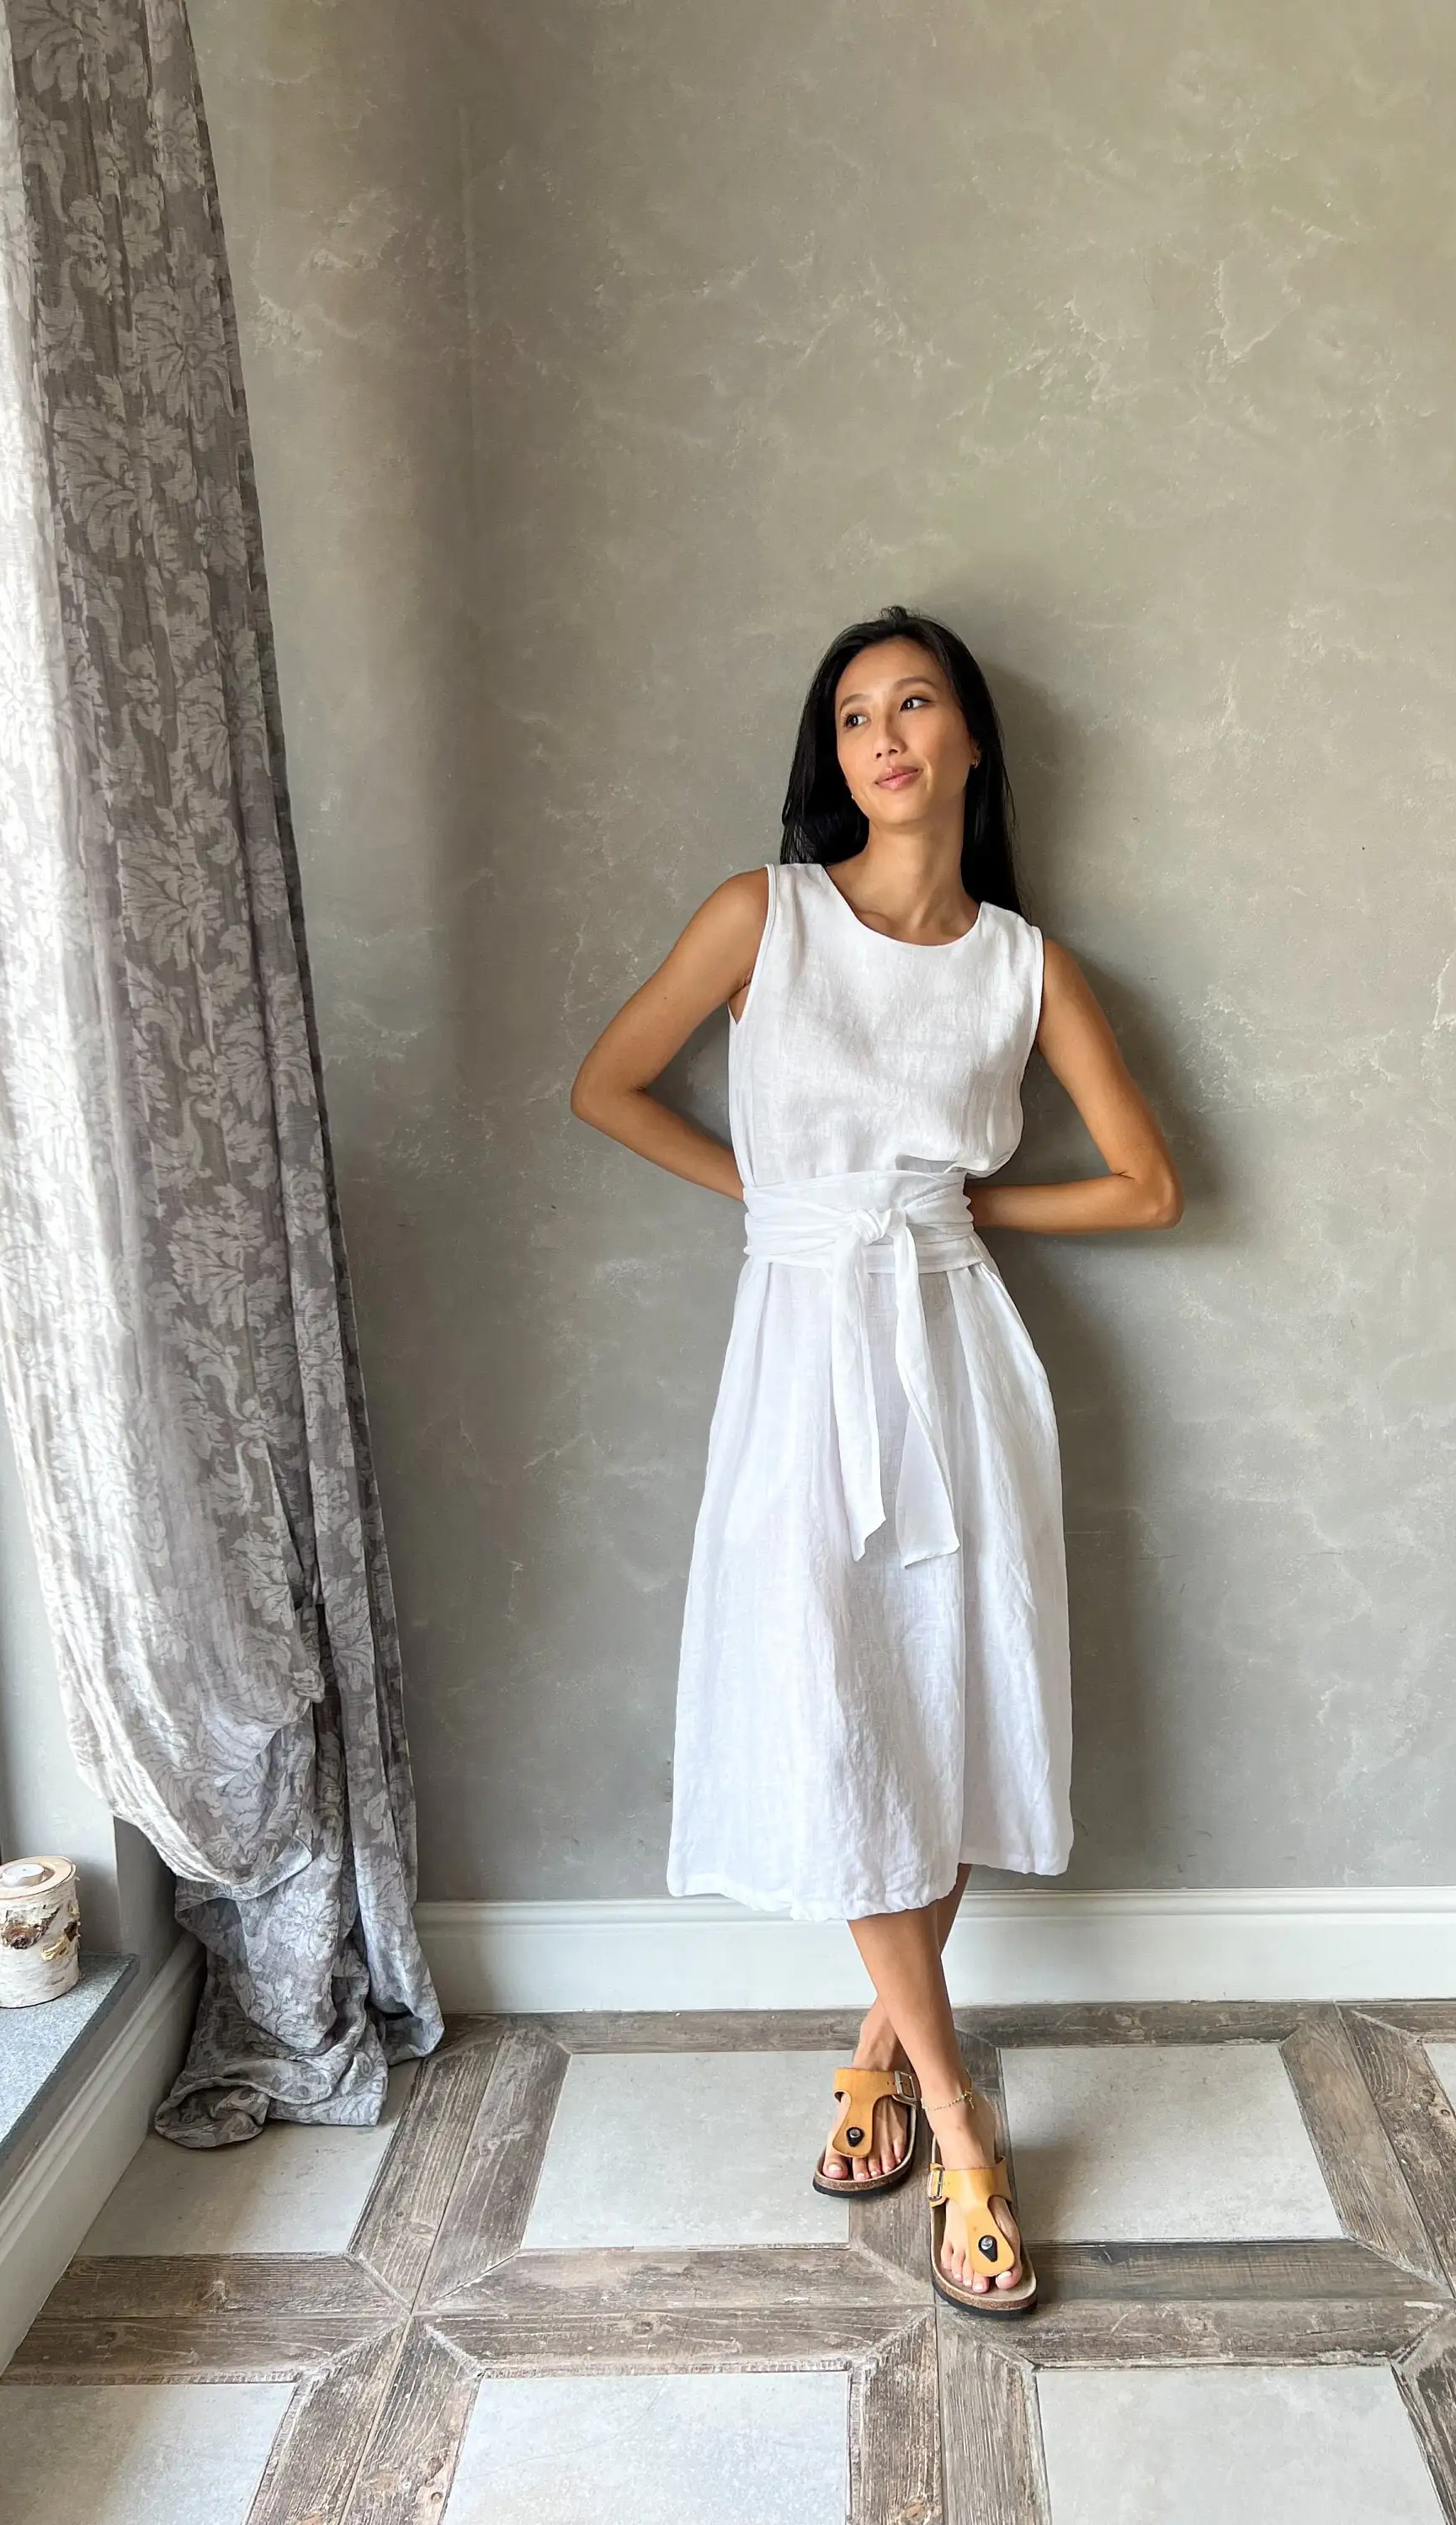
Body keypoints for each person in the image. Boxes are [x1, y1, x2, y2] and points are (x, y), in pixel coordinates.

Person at [571, 603, 1180, 2312]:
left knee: (944, 1689)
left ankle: (874, 2055)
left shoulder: (1026, 965)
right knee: (836, 1695)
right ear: (829, 755)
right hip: (799, 1356)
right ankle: (960, 2120)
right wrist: (782, 1203)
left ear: (971, 737)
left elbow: (1148, 1186)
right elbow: (609, 1086)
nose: (883, 737)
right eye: (852, 715)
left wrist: (962, 1206)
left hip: (953, 1350)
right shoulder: (759, 916)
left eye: (914, 705)